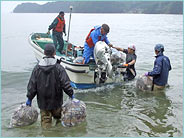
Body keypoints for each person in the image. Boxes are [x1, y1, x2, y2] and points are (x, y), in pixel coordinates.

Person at [26, 44, 74, 129]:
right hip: (56, 102)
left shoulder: (37, 68)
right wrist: (71, 94)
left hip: (43, 103)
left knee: (46, 123)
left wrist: (29, 98)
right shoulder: (59, 68)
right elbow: (65, 83)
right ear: (54, 53)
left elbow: (32, 85)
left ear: (44, 53)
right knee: (59, 121)